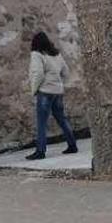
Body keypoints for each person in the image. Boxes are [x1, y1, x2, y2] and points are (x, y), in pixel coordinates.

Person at [26, 31, 78, 160]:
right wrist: (58, 83)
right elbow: (66, 72)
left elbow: (38, 74)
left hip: (45, 92)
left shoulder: (37, 55)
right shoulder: (56, 54)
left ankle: (40, 151)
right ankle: (72, 145)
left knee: (42, 123)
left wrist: (34, 90)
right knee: (62, 119)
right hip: (58, 92)